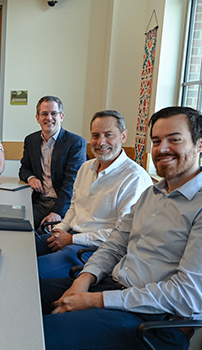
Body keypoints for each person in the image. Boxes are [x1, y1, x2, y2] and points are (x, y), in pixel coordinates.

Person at [40, 106, 202, 350]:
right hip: (113, 288)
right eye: (156, 140)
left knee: (35, 336)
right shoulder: (153, 193)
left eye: (174, 140)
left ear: (201, 143)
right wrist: (84, 280)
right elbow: (116, 243)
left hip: (153, 322)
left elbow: (187, 297)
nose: (162, 149)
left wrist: (96, 300)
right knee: (23, 295)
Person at [36, 110, 152, 278]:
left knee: (32, 272)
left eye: (108, 135)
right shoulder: (86, 167)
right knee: (21, 254)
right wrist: (59, 230)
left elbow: (121, 234)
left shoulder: (135, 178)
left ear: (123, 136)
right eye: (95, 135)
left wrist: (71, 240)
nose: (101, 142)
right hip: (70, 236)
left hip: (98, 250)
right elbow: (74, 207)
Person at [19, 95, 86, 227]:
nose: (49, 118)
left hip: (66, 207)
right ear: (37, 118)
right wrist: (31, 178)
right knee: (19, 228)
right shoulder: (31, 140)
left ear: (61, 117)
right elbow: (24, 168)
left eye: (53, 113)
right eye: (44, 114)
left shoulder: (76, 142)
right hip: (39, 203)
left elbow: (72, 182)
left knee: (44, 237)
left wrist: (57, 212)